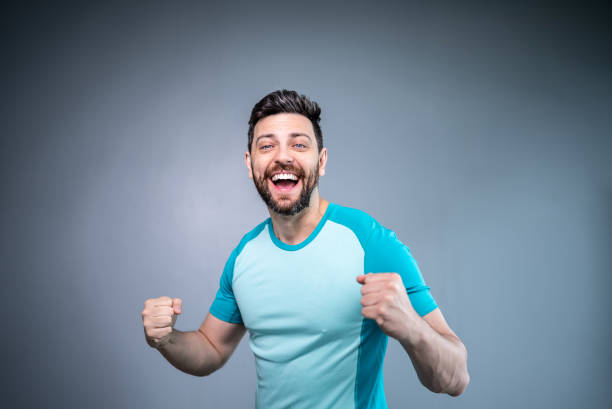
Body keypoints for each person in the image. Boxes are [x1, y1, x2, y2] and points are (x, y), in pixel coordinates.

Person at [141, 90, 470, 408]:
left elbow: (455, 379)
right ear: (250, 162)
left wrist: (413, 328)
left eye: (299, 144)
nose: (282, 156)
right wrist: (166, 338)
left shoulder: (369, 242)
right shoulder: (244, 255)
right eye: (267, 145)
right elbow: (210, 348)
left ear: (321, 160)